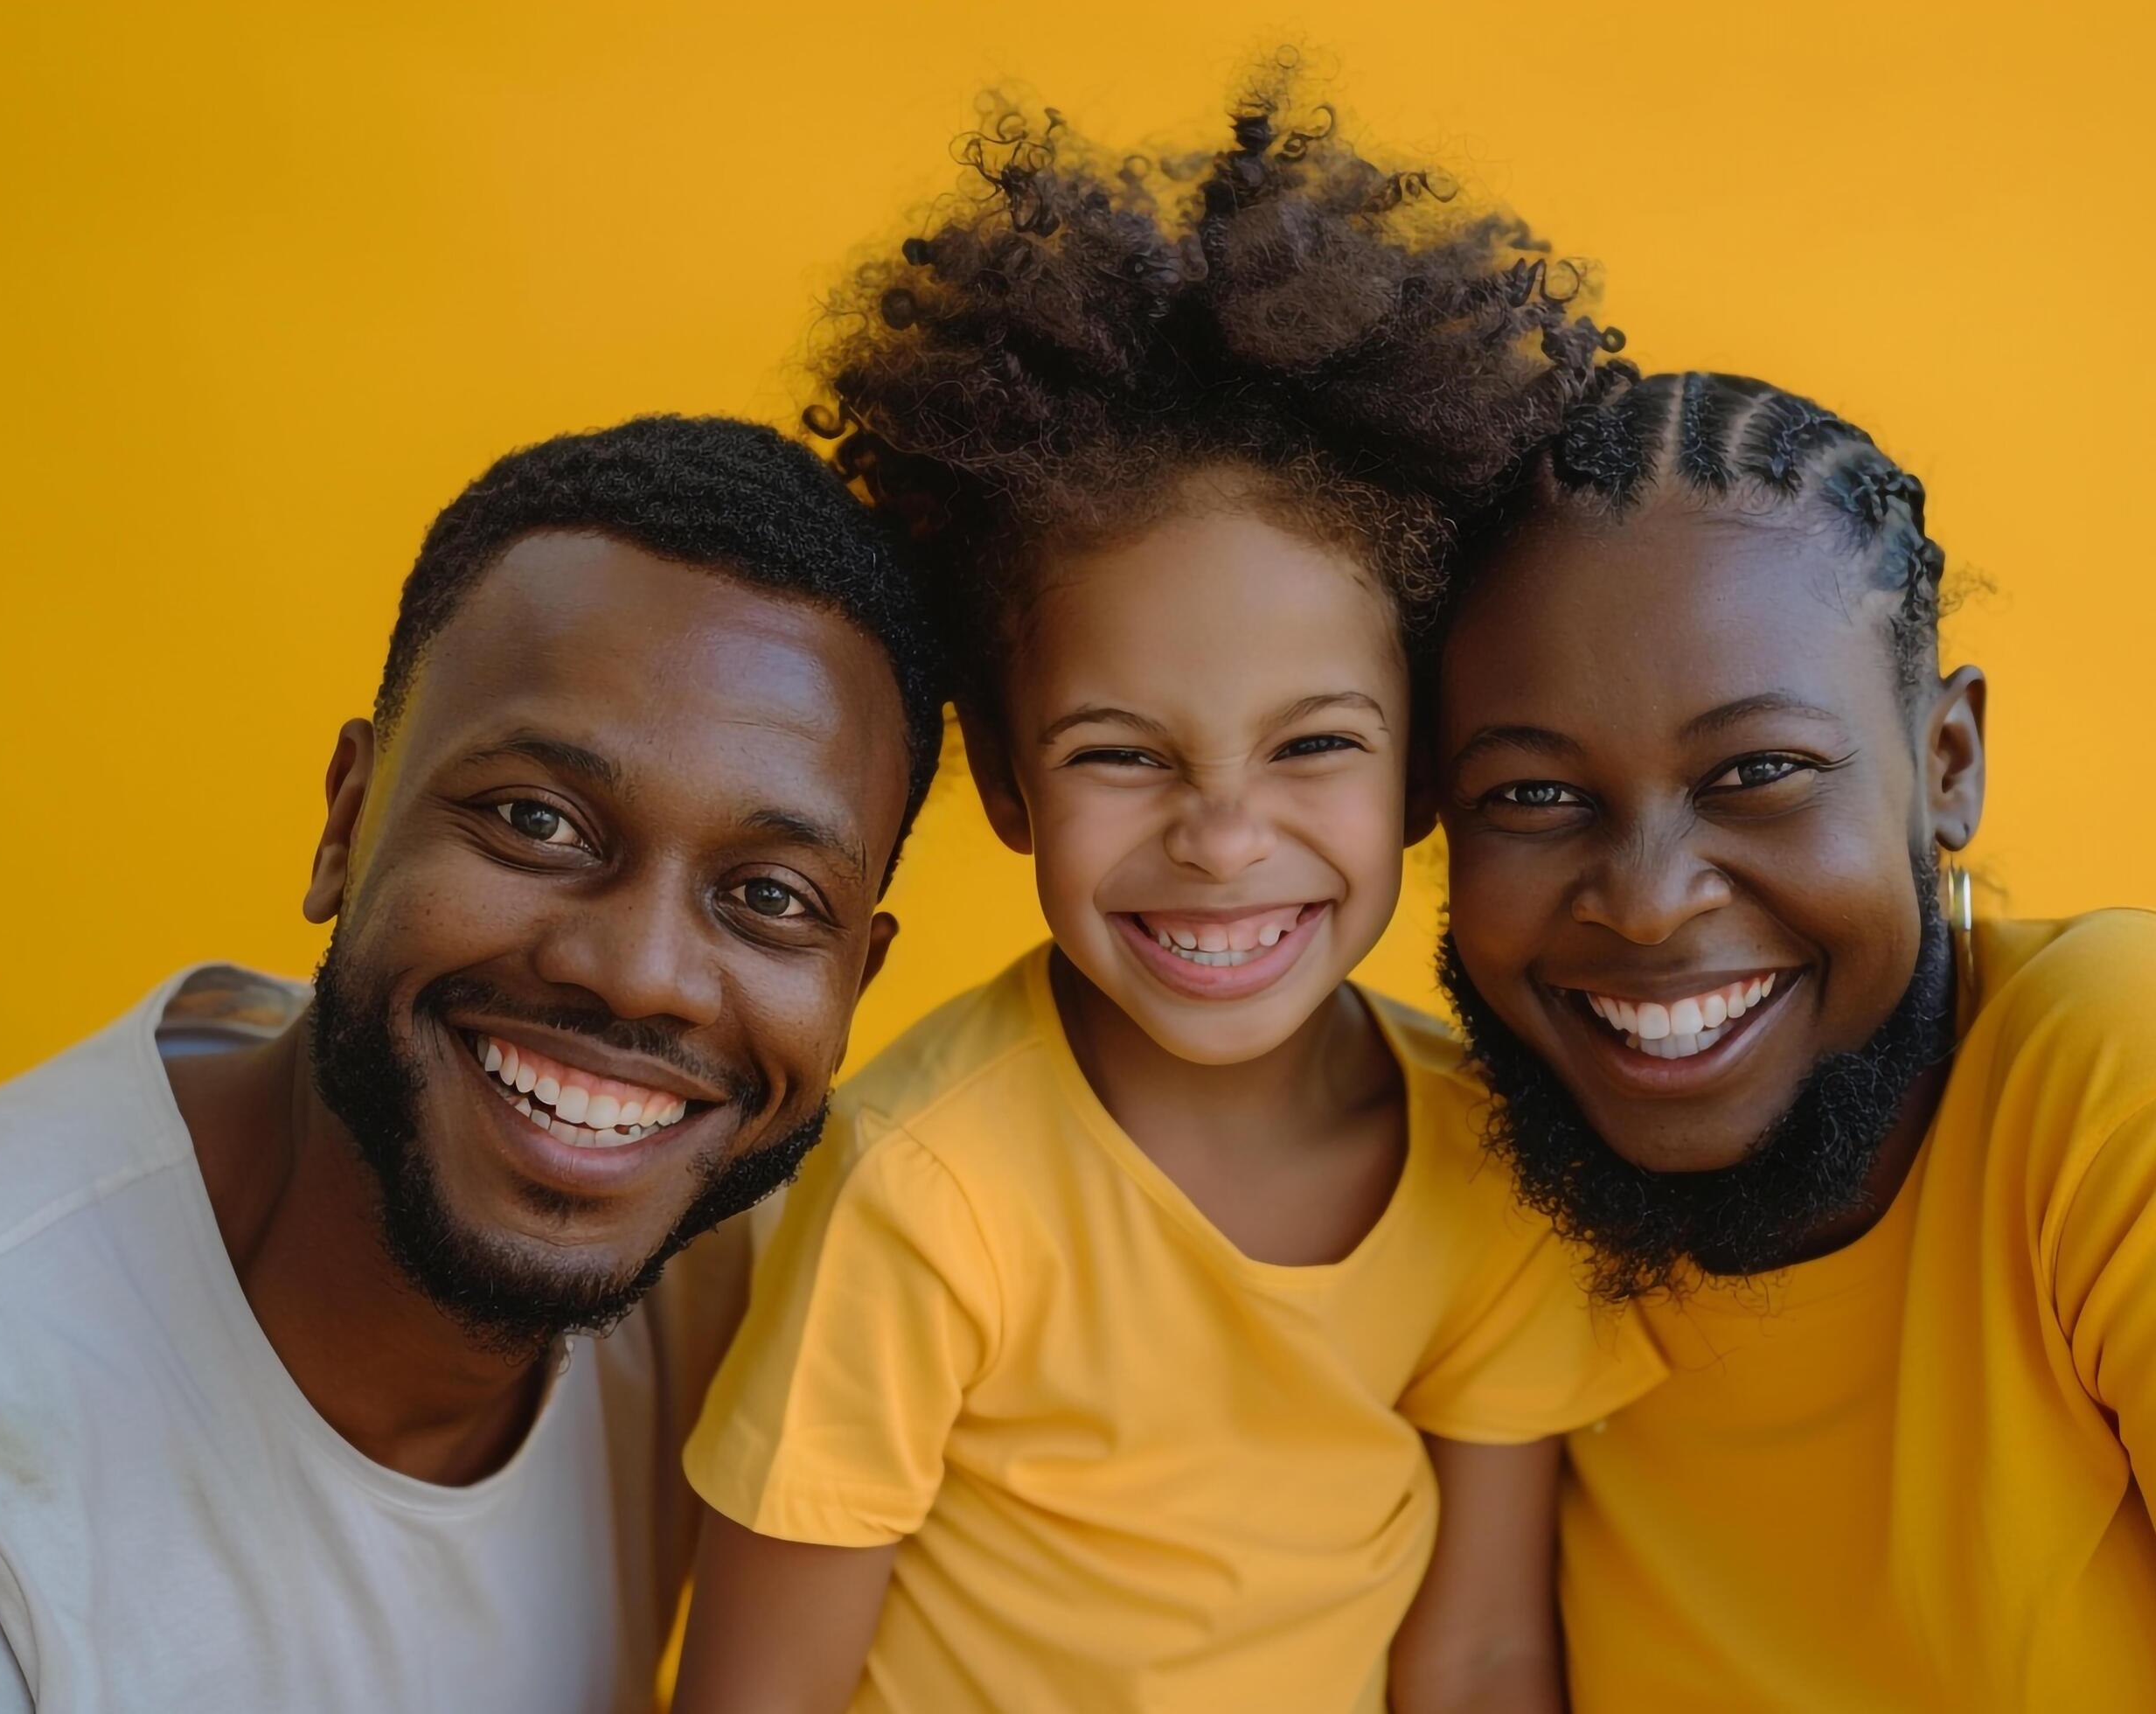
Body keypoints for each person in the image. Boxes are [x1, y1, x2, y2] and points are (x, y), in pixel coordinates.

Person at [671, 85, 1659, 1714]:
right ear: (1003, 779)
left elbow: (1481, 1652)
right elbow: (753, 1695)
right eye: (1123, 756)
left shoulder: (1494, 1160)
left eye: (1313, 746)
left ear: (1425, 764)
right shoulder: (929, 1193)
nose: (1220, 838)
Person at [1432, 371, 2156, 1710]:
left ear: (1948, 762)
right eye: (1530, 793)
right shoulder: (1475, 1181)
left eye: (1757, 772)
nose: (1644, 903)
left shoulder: (2143, 1075)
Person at [0, 415, 946, 1711]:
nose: (637, 972)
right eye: (537, 821)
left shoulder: (817, 1284)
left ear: (857, 983)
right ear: (347, 817)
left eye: (772, 898)